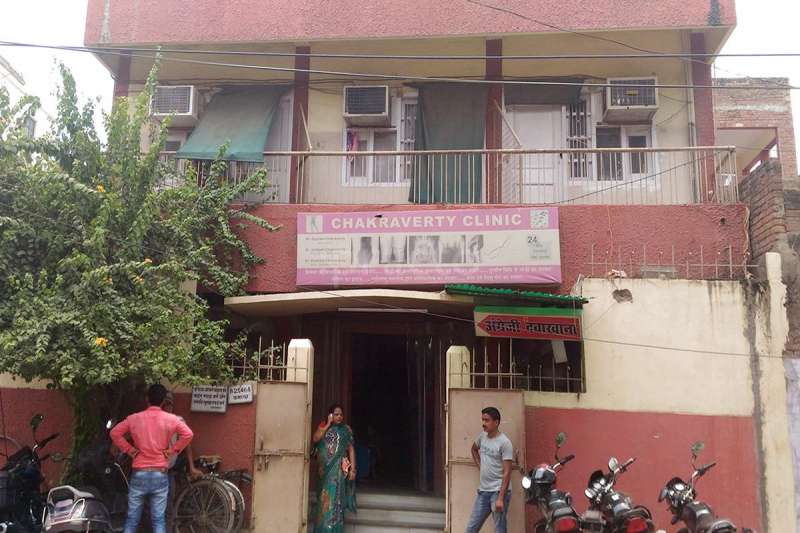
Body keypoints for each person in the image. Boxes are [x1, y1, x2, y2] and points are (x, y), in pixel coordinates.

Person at [110, 384, 194, 533]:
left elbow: (115, 433)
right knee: (158, 519)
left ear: (147, 399)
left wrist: (130, 450)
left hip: (139, 472)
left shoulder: (135, 418)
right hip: (160, 473)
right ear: (163, 401)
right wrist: (172, 451)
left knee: (132, 518)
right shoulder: (171, 419)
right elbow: (188, 434)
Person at [465, 406, 513, 533]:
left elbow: (507, 472)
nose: (483, 423)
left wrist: (500, 498)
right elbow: (474, 449)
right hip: (483, 491)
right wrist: (480, 466)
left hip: (498, 492)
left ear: (496, 422)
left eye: (487, 420)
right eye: (483, 420)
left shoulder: (504, 443)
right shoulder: (482, 437)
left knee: (499, 529)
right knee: (471, 528)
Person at [312, 404, 357, 533]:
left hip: (338, 471)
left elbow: (351, 450)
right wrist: (328, 424)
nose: (339, 417)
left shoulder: (346, 430)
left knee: (337, 500)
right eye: (336, 414)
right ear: (330, 415)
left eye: (341, 414)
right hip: (325, 472)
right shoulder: (323, 426)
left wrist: (353, 469)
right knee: (325, 500)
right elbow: (315, 439)